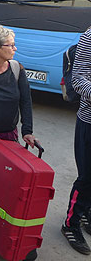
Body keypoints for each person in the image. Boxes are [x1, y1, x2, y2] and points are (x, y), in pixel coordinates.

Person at [62, 26, 91, 255]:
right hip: (89, 122)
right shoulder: (90, 37)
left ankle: (87, 214)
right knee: (87, 177)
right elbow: (78, 79)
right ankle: (70, 224)